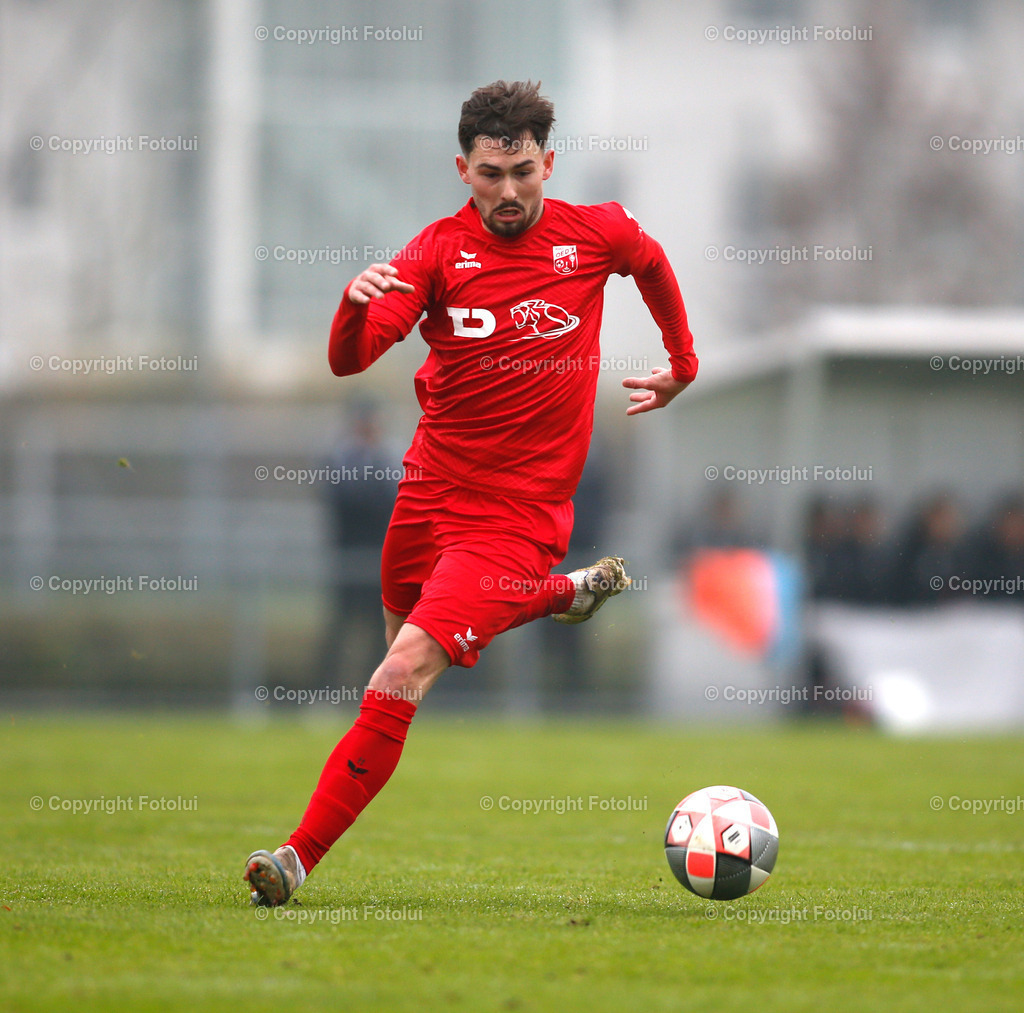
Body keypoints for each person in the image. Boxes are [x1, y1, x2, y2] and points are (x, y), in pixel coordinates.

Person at [244, 79, 698, 905]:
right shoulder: (434, 253)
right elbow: (353, 360)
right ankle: (560, 593)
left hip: (519, 515)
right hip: (425, 494)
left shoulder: (594, 234)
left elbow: (654, 262)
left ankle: (295, 857)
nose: (510, 191)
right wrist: (351, 306)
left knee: (403, 667)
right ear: (464, 169)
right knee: (396, 663)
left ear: (548, 162)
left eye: (523, 170)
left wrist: (683, 364)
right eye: (491, 173)